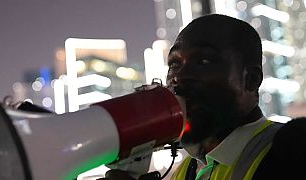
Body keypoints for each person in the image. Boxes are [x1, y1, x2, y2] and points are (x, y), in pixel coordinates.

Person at [101, 14, 306, 180]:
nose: (179, 78)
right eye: (174, 64)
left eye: (203, 61)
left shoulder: (292, 152)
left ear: (251, 80)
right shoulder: (187, 169)